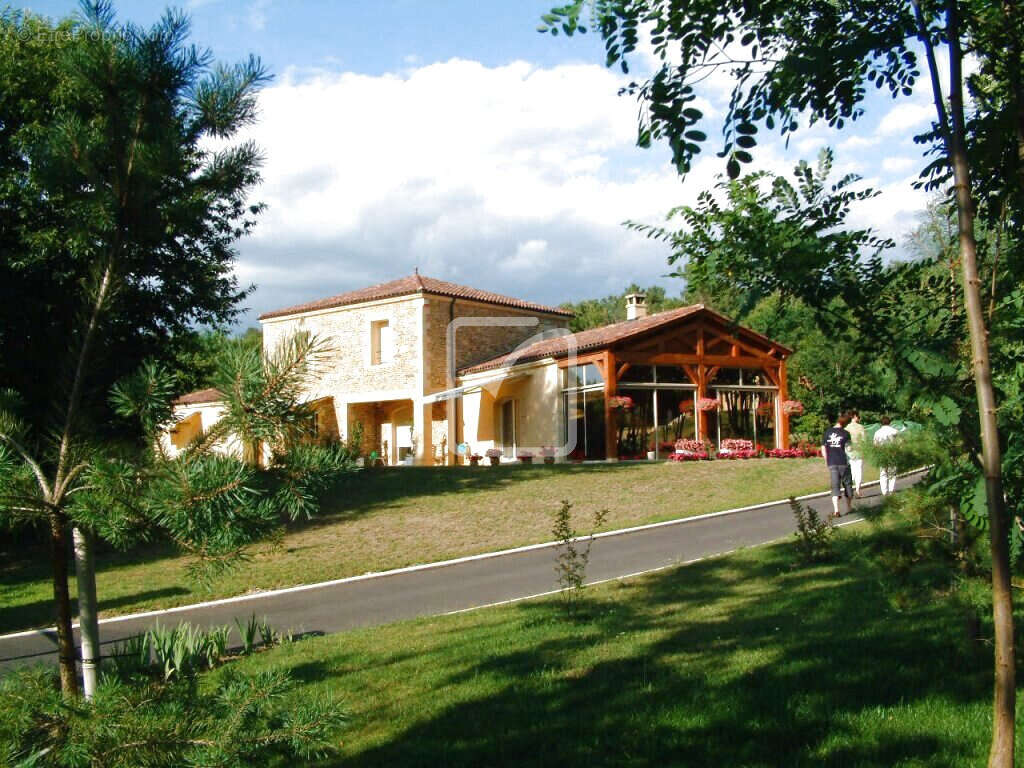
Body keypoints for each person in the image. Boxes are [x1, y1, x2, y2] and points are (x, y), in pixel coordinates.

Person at [822, 414, 854, 518]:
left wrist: (827, 460)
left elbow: (823, 449)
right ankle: (849, 508)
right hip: (843, 463)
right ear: (845, 423)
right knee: (847, 484)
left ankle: (836, 510)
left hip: (832, 463)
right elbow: (849, 449)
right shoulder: (846, 434)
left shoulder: (827, 432)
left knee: (835, 486)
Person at [873, 416, 900, 495]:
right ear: (890, 422)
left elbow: (875, 445)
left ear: (881, 423)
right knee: (892, 473)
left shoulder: (877, 432)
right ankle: (891, 490)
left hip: (882, 454)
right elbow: (900, 442)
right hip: (892, 453)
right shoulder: (894, 431)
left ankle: (884, 491)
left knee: (883, 473)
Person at [845, 410, 866, 498]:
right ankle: (858, 489)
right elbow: (864, 440)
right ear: (854, 417)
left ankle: (852, 488)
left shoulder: (846, 428)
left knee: (853, 470)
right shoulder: (860, 427)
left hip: (849, 452)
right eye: (858, 416)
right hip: (859, 450)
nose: (859, 418)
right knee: (859, 470)